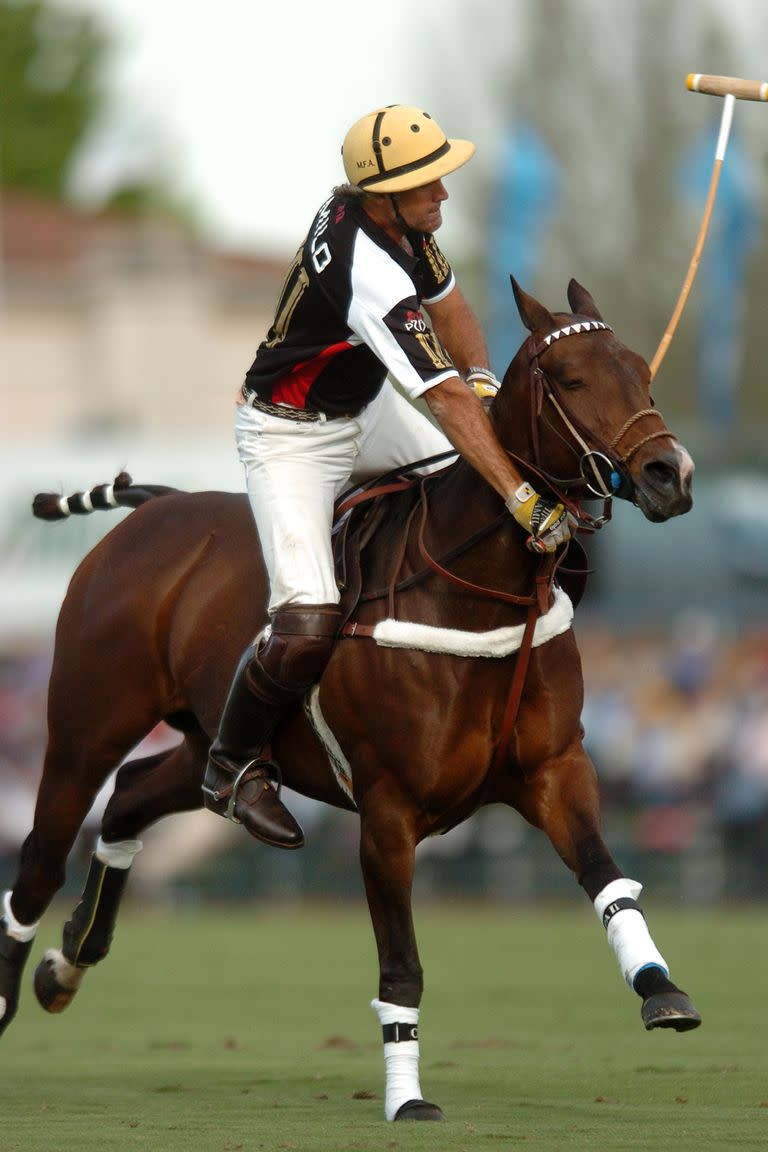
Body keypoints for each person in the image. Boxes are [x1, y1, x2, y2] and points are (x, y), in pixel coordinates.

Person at [202, 104, 573, 849]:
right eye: (427, 184)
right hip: (290, 436)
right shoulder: (365, 262)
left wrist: (485, 379)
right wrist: (521, 492)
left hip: (361, 411)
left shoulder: (402, 226)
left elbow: (452, 306)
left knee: (476, 495)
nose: (443, 193)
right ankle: (231, 765)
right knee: (305, 622)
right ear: (383, 197)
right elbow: (438, 398)